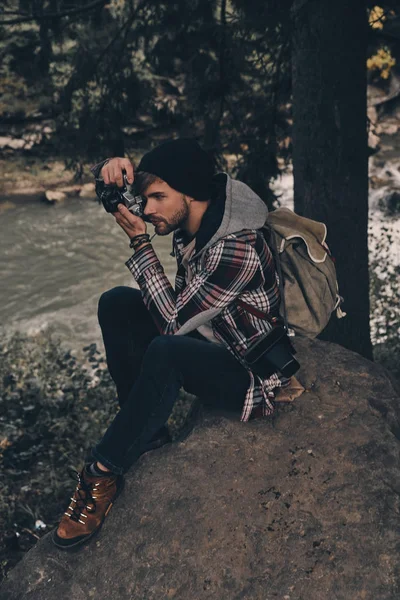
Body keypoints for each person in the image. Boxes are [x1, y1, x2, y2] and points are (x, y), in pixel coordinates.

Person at [52, 138, 289, 549]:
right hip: (211, 335)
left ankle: (101, 474)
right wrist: (110, 167)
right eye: (145, 198)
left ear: (192, 193)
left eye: (158, 197)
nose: (147, 210)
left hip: (251, 373)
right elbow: (178, 315)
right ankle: (146, 434)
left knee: (166, 349)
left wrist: (141, 243)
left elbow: (174, 324)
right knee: (117, 303)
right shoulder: (194, 224)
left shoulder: (237, 247)